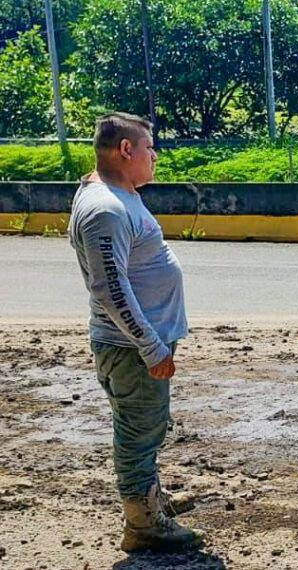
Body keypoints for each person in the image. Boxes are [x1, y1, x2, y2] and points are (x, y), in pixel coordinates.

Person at [68, 112, 202, 552]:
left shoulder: (115, 194)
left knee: (145, 426)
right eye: (148, 147)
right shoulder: (105, 208)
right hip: (131, 348)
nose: (154, 155)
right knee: (138, 431)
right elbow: (109, 288)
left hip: (136, 345)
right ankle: (143, 525)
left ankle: (151, 500)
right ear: (126, 150)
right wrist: (150, 347)